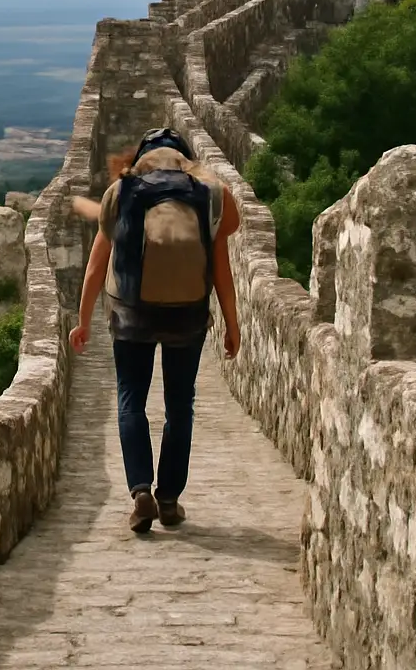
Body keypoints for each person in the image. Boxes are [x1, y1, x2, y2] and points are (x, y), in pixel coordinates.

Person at [69, 127, 242, 533]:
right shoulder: (210, 193)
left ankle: (141, 490)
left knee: (132, 399)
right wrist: (233, 326)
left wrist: (83, 320)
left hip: (131, 311)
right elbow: (222, 270)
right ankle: (169, 498)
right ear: (184, 158)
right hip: (188, 313)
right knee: (180, 405)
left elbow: (96, 265)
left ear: (143, 156)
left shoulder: (122, 190)